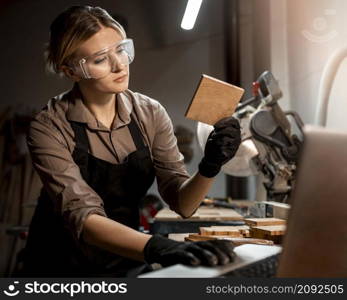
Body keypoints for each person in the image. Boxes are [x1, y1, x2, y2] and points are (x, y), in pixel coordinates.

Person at [22, 5, 242, 277]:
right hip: (58, 264)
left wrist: (210, 165)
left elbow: (183, 204)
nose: (119, 64)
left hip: (127, 256)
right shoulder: (50, 125)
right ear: (71, 71)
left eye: (121, 49)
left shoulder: (149, 112)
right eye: (100, 59)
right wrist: (159, 247)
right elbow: (84, 217)